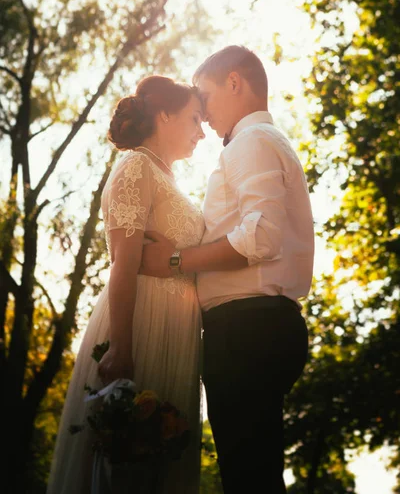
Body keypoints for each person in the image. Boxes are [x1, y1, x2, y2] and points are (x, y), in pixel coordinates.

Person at [140, 46, 314, 493]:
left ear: (234, 83)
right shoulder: (266, 143)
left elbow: (259, 237)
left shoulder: (251, 143)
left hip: (245, 331)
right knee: (255, 473)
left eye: (206, 96)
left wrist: (175, 261)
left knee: (247, 478)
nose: (202, 111)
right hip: (259, 327)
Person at [47, 76, 206, 494]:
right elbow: (122, 262)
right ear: (165, 114)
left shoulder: (168, 178)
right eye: (194, 119)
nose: (202, 132)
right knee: (128, 463)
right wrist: (121, 347)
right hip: (141, 325)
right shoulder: (135, 166)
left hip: (178, 331)